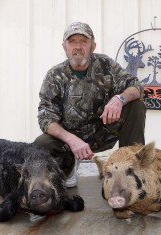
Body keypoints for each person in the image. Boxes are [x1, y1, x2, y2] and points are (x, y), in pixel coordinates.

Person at [34, 22, 146, 187]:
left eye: (83, 41)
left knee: (135, 105)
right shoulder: (54, 75)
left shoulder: (106, 65)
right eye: (72, 41)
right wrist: (72, 141)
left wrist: (119, 99)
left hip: (104, 129)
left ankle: (130, 168)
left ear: (93, 46)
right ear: (64, 46)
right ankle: (69, 165)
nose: (78, 46)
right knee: (41, 144)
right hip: (70, 138)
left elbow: (137, 87)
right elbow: (45, 117)